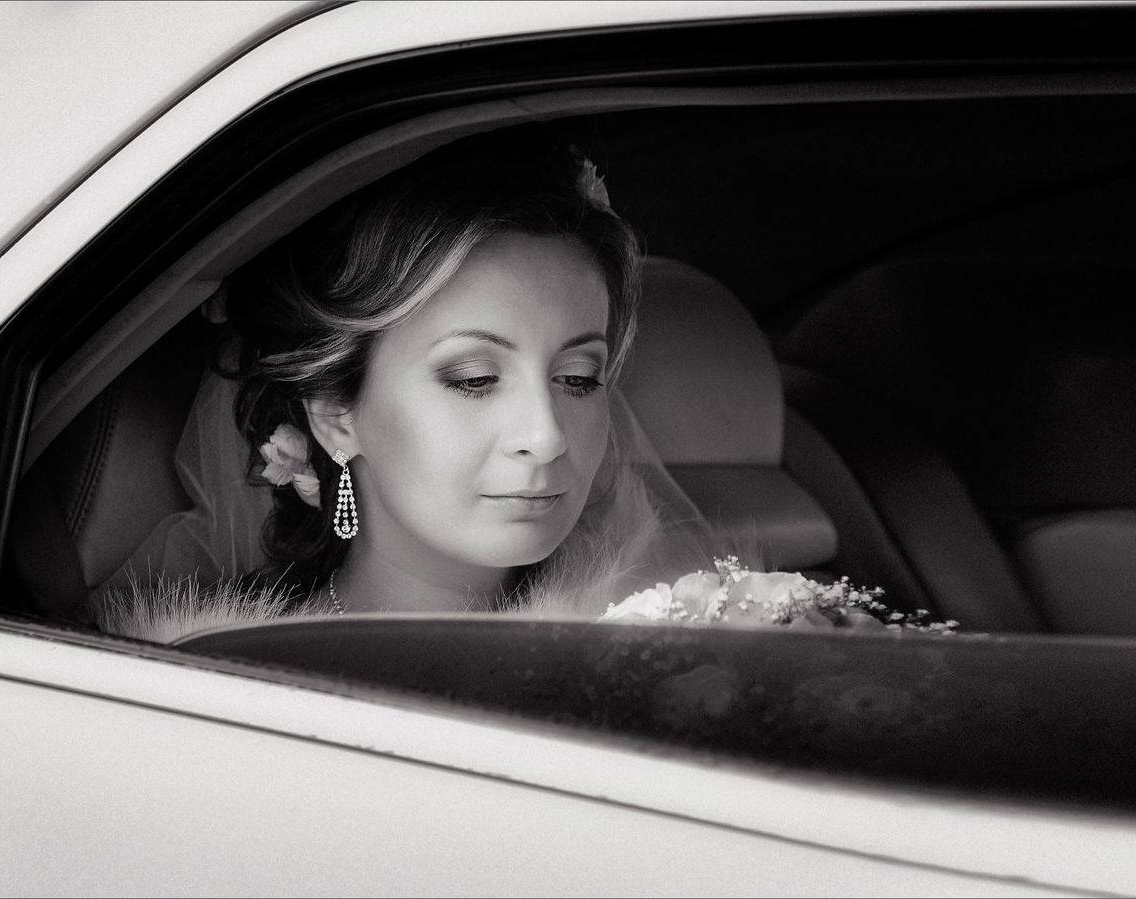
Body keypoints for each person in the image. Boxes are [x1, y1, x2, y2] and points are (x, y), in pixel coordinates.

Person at [97, 128, 726, 640]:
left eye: (578, 378)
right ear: (336, 414)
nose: (547, 435)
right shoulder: (219, 689)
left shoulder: (667, 637)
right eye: (474, 379)